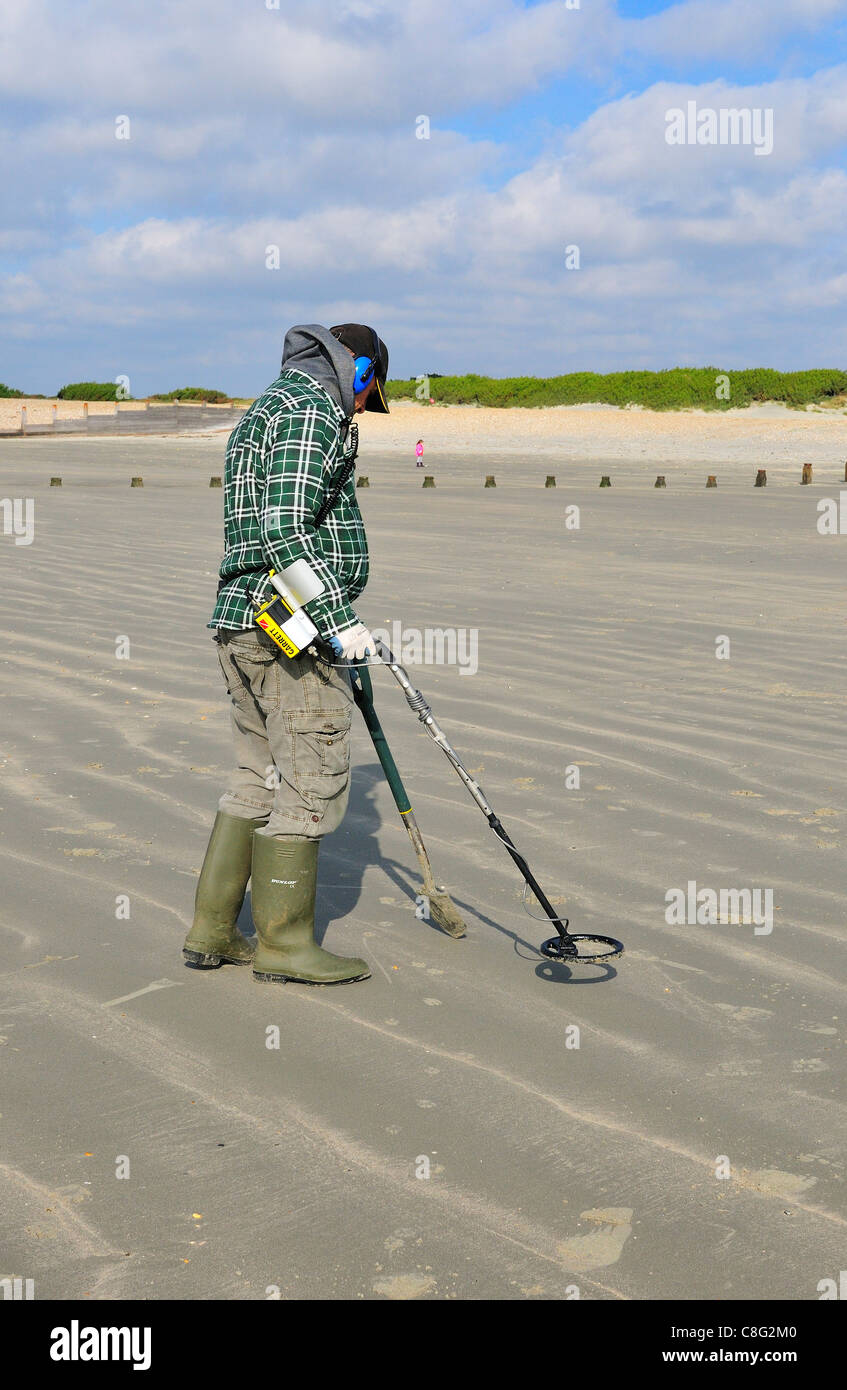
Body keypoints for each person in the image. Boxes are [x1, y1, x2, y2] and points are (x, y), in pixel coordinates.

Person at [182, 323, 389, 985]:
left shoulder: (268, 406)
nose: (364, 409)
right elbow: (283, 529)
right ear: (357, 373)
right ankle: (284, 945)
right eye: (369, 393)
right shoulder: (311, 411)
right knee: (309, 780)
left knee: (256, 777)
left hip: (242, 620)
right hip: (287, 627)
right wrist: (340, 623)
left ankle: (213, 930)